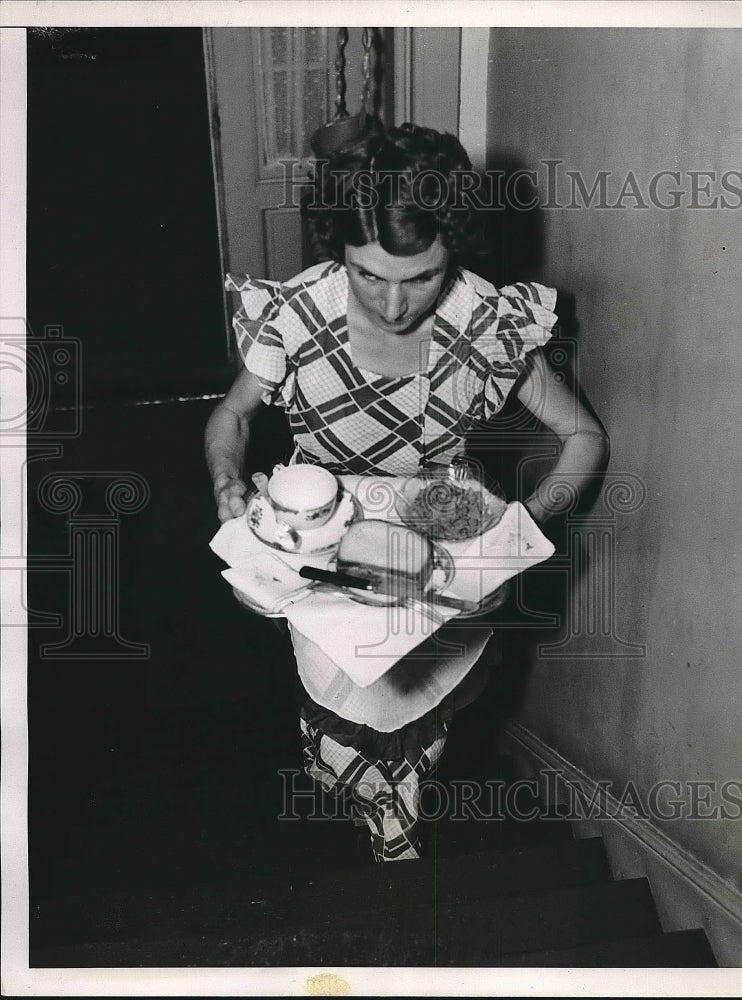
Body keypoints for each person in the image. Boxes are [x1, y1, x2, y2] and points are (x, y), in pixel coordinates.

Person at [205, 123, 609, 862]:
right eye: (367, 275)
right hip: (319, 524)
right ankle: (346, 768)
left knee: (419, 700)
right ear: (339, 252)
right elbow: (232, 414)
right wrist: (227, 478)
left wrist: (522, 525)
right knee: (337, 678)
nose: (393, 305)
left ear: (452, 249)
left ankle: (394, 808)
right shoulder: (294, 315)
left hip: (442, 527)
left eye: (420, 277)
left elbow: (582, 438)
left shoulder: (486, 322)